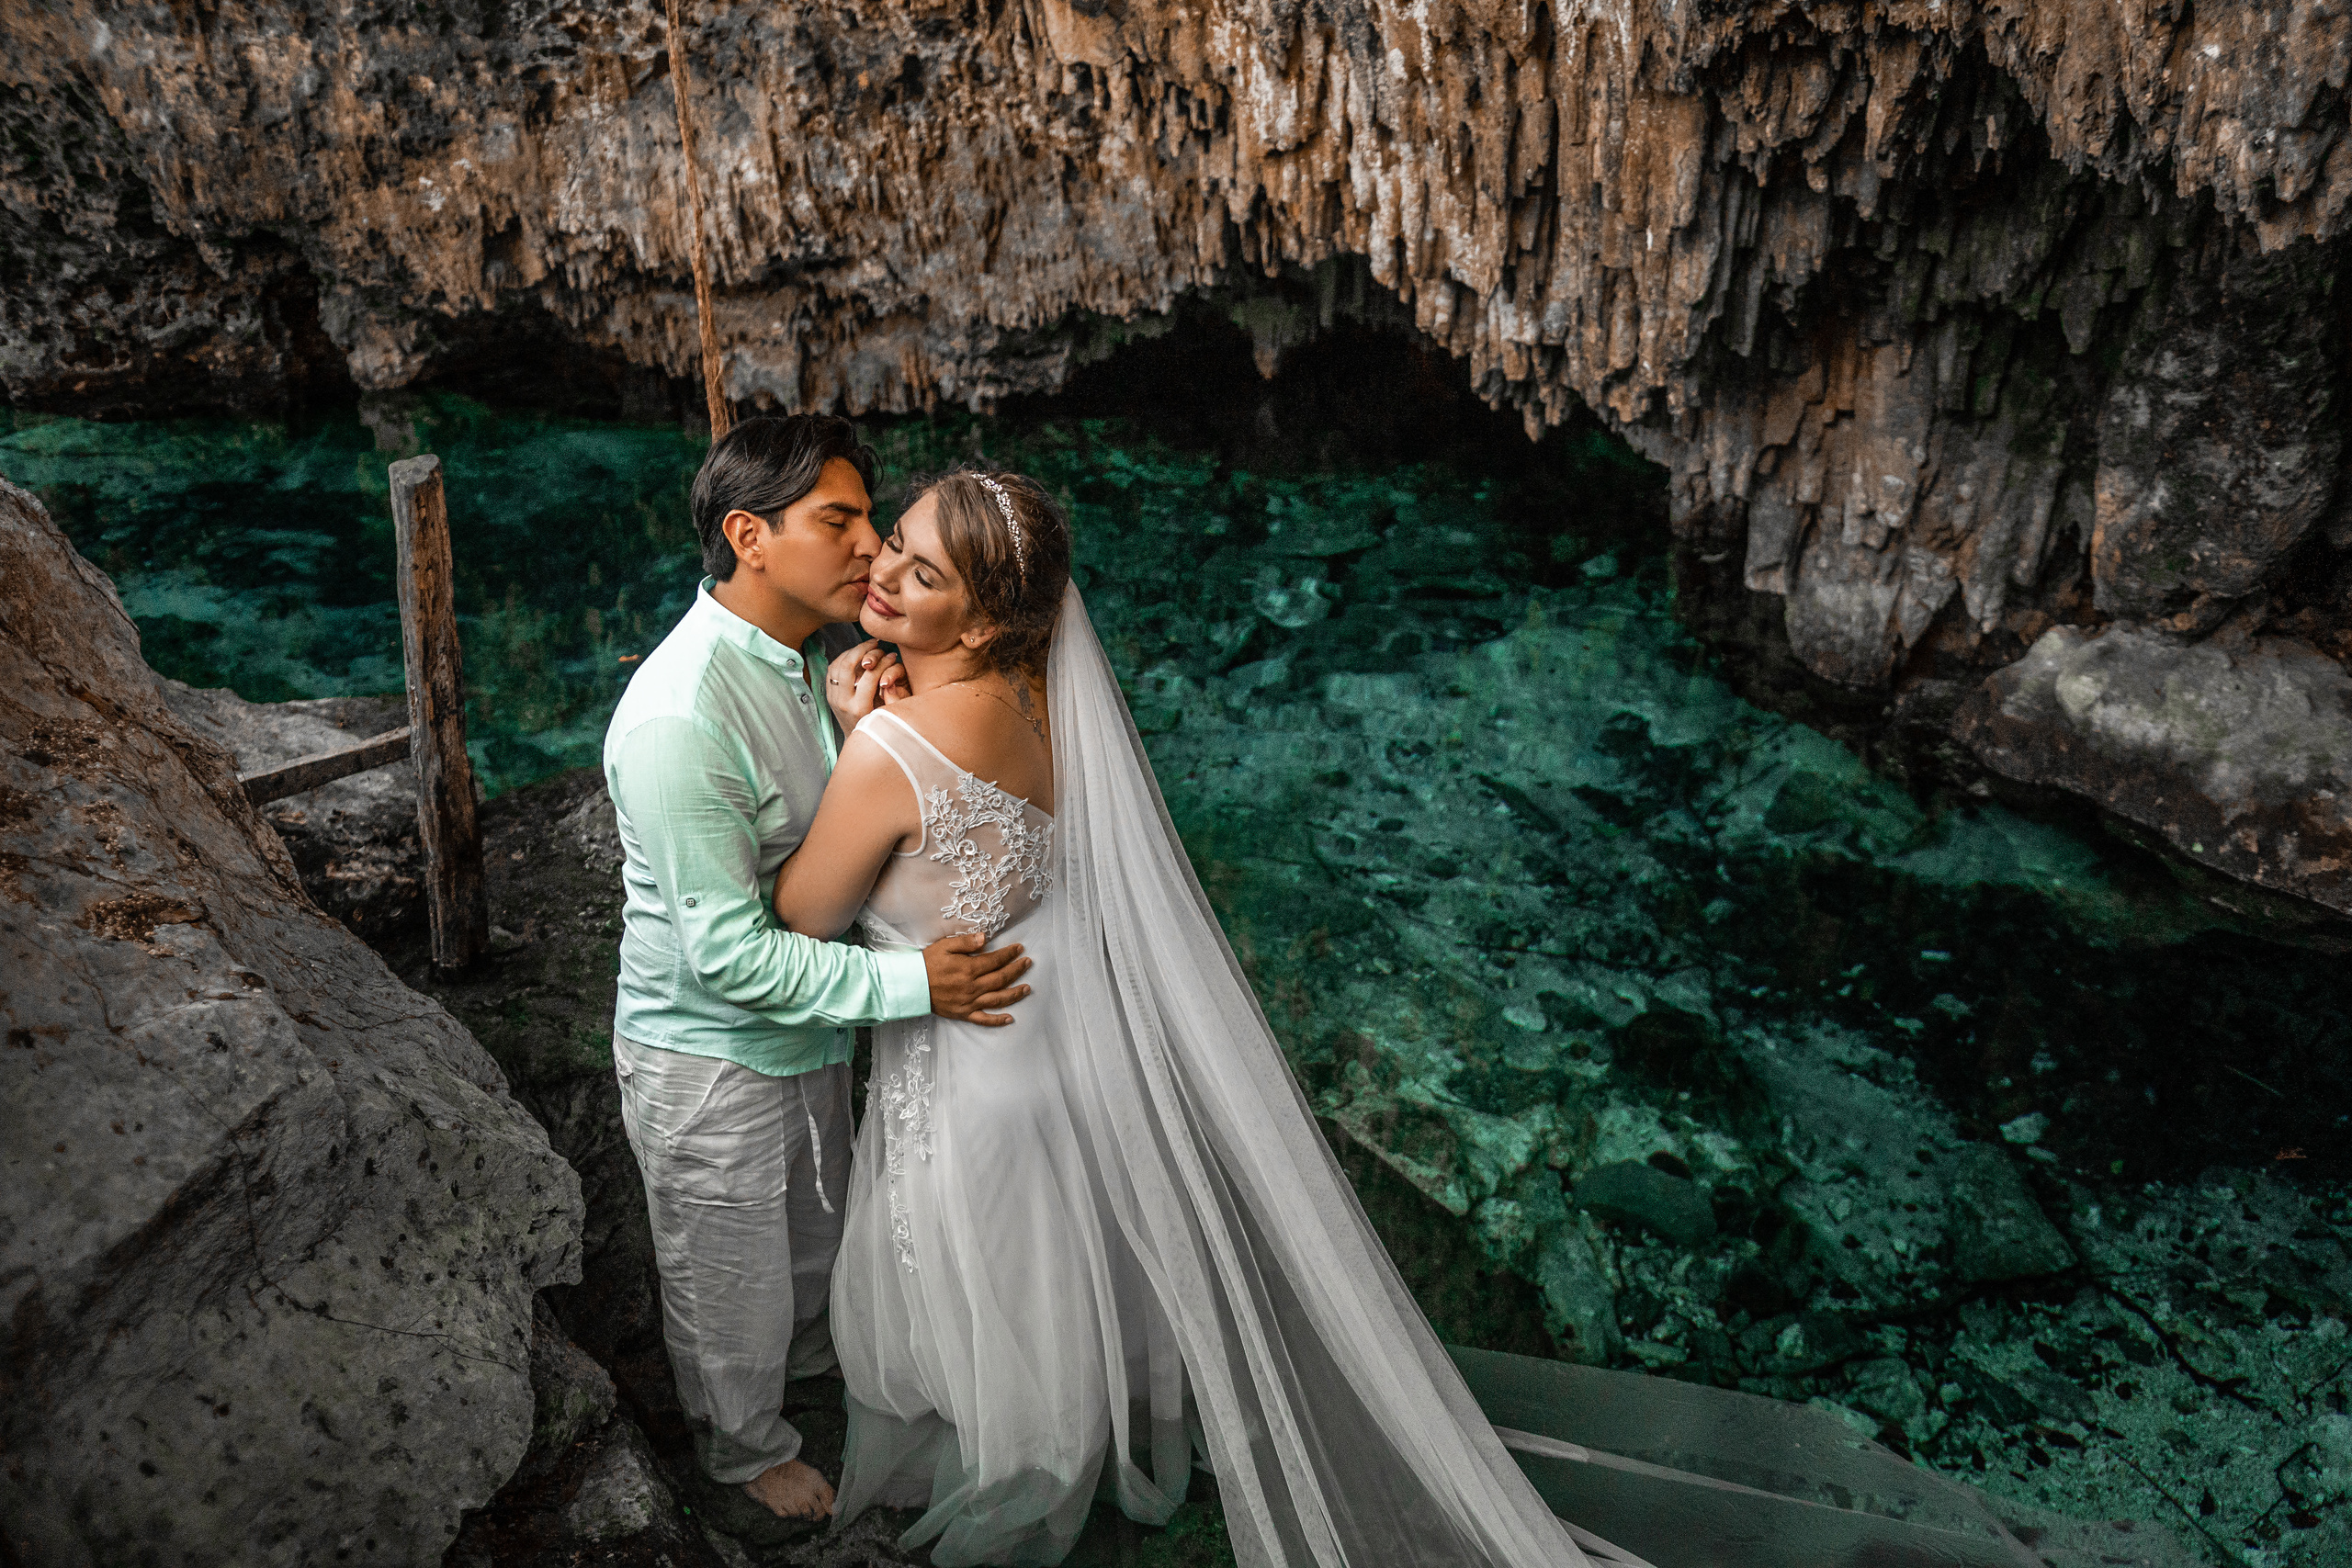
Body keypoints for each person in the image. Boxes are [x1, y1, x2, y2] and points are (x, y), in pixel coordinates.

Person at [771, 468, 2167, 1568]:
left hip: (975, 1061)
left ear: (994, 614)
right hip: (1058, 1048)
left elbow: (806, 914)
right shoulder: (1030, 696)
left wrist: (846, 733)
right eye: (890, 541)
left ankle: (1026, 1470)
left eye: (921, 568)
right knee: (1045, 1269)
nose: (883, 572)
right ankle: (1088, 1431)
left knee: (985, 1284)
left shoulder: (892, 744)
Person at [602, 417, 1034, 1523]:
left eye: (872, 521)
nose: (871, 551)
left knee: (808, 1232)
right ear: (750, 536)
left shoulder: (801, 662)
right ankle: (740, 1452)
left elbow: (813, 836)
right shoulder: (679, 717)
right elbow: (727, 953)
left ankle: (802, 1372)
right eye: (838, 523)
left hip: (808, 1024)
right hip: (710, 1048)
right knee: (725, 1260)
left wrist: (849, 733)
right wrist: (914, 987)